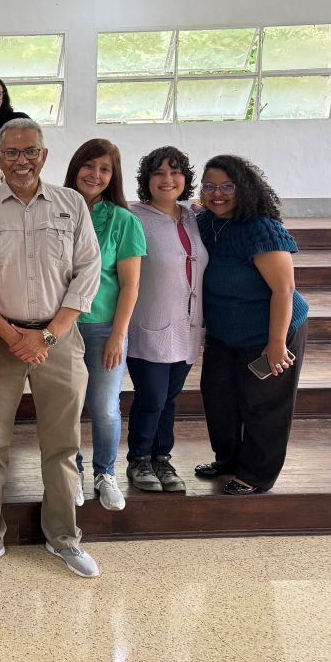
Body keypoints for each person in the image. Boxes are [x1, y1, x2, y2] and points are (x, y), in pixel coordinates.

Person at [0, 117, 102, 579]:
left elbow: (87, 271)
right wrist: (11, 334)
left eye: (30, 152)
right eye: (12, 153)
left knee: (62, 444)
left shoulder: (71, 203)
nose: (21, 161)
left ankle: (63, 538)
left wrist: (49, 335)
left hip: (58, 339)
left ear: (44, 155)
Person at [196, 155, 310, 495]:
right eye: (210, 186)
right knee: (218, 398)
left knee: (264, 404)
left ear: (243, 188)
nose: (217, 194)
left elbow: (284, 289)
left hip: (271, 330)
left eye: (227, 186)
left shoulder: (260, 227)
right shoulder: (205, 223)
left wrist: (276, 343)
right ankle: (229, 459)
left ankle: (256, 475)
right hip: (223, 333)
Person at [63, 139, 146, 511]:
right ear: (75, 167)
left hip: (102, 329)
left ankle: (105, 473)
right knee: (67, 406)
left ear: (113, 177)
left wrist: (118, 334)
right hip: (62, 326)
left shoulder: (123, 220)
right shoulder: (56, 210)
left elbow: (130, 284)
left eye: (104, 169)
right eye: (89, 165)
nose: (95, 174)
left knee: (104, 406)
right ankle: (73, 473)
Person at [127, 147, 208, 497]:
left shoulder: (193, 216)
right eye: (158, 173)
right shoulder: (133, 216)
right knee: (152, 396)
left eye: (175, 172)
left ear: (185, 179)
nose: (167, 179)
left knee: (170, 397)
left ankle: (162, 457)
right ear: (147, 180)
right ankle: (139, 458)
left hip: (188, 326)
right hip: (148, 323)